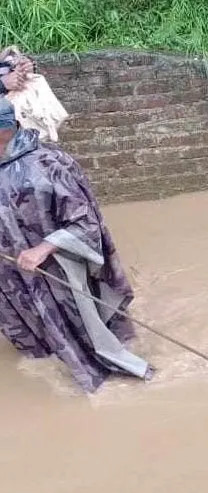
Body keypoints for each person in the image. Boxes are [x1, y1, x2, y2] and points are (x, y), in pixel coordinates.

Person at [0, 97, 151, 392]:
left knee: (92, 349)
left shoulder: (48, 164)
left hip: (55, 275)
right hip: (12, 279)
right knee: (38, 351)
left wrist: (42, 249)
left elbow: (86, 224)